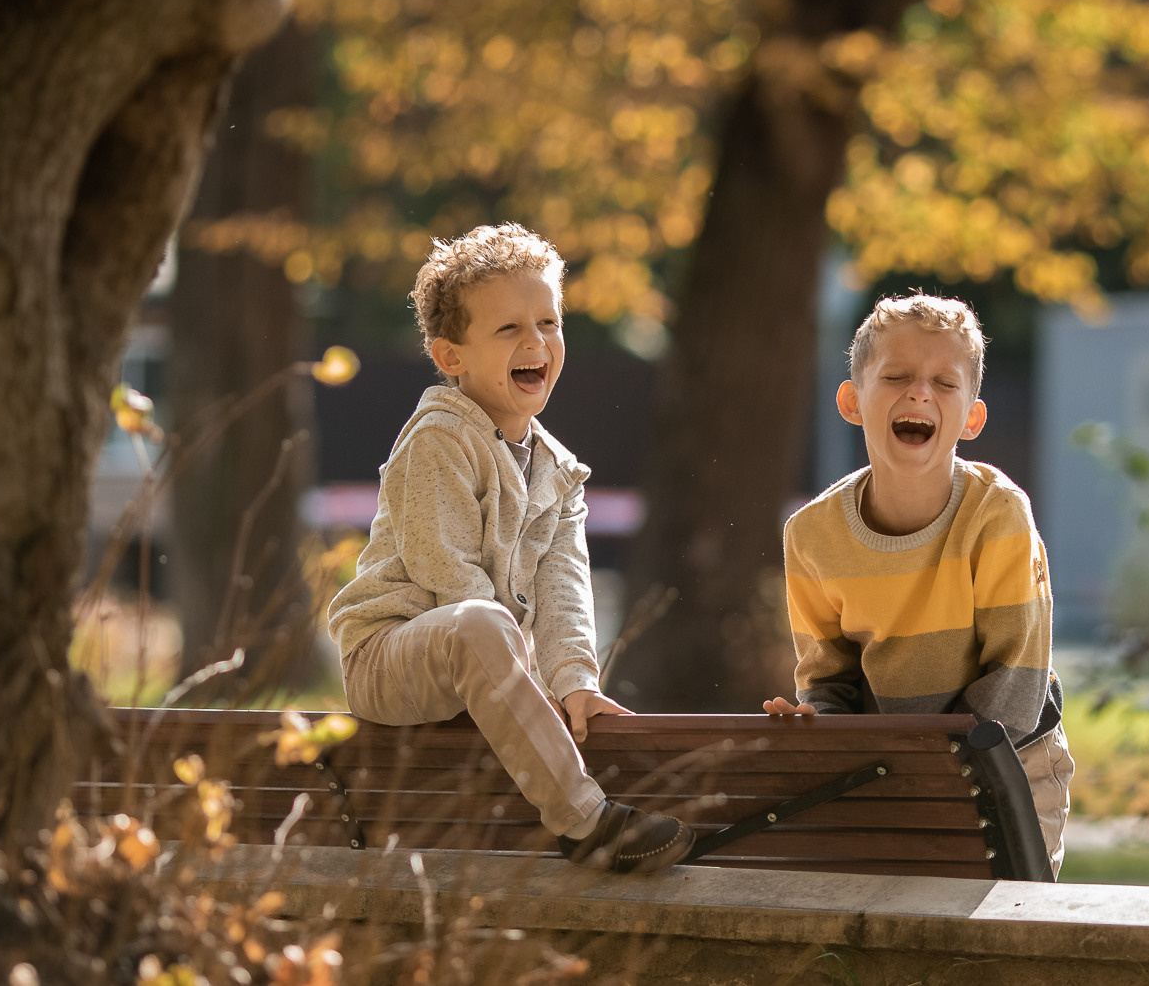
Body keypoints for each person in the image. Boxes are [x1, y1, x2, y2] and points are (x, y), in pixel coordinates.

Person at [328, 224, 692, 873]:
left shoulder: (559, 471)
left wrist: (575, 681)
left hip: (482, 659)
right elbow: (448, 576)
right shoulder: (438, 438)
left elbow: (564, 591)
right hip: (391, 655)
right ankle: (584, 822)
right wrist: (523, 675)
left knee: (495, 629)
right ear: (451, 356)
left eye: (548, 322)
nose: (536, 342)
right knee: (481, 620)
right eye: (508, 330)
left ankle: (577, 779)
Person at [763, 294, 1073, 876]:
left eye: (944, 383)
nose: (919, 393)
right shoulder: (811, 536)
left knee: (1001, 930)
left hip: (1012, 760)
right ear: (852, 401)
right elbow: (830, 680)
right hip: (896, 763)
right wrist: (818, 727)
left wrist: (924, 767)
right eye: (897, 376)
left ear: (972, 418)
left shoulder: (997, 514)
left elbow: (1015, 682)